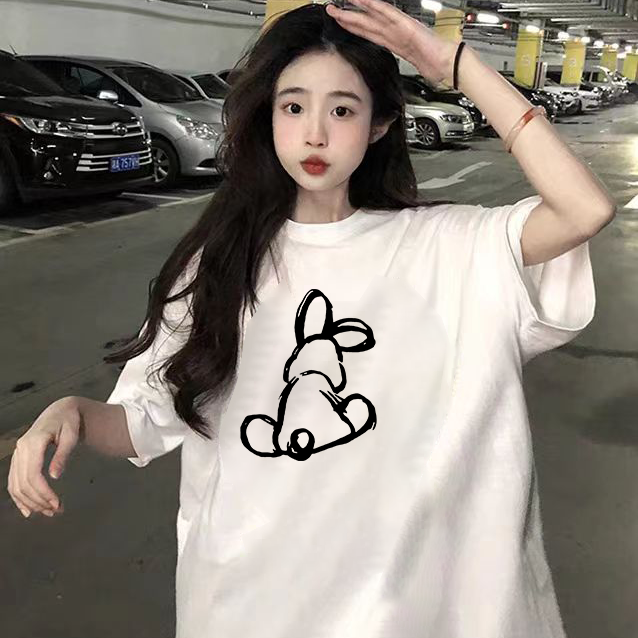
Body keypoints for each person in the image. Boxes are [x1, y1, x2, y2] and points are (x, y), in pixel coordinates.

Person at [7, 0, 616, 636]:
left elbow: (583, 209)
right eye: (293, 107)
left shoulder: (449, 247)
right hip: (249, 606)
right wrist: (72, 413)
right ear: (268, 116)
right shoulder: (221, 263)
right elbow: (145, 424)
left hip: (412, 614)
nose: (315, 134)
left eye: (343, 110)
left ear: (380, 124)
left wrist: (454, 65)